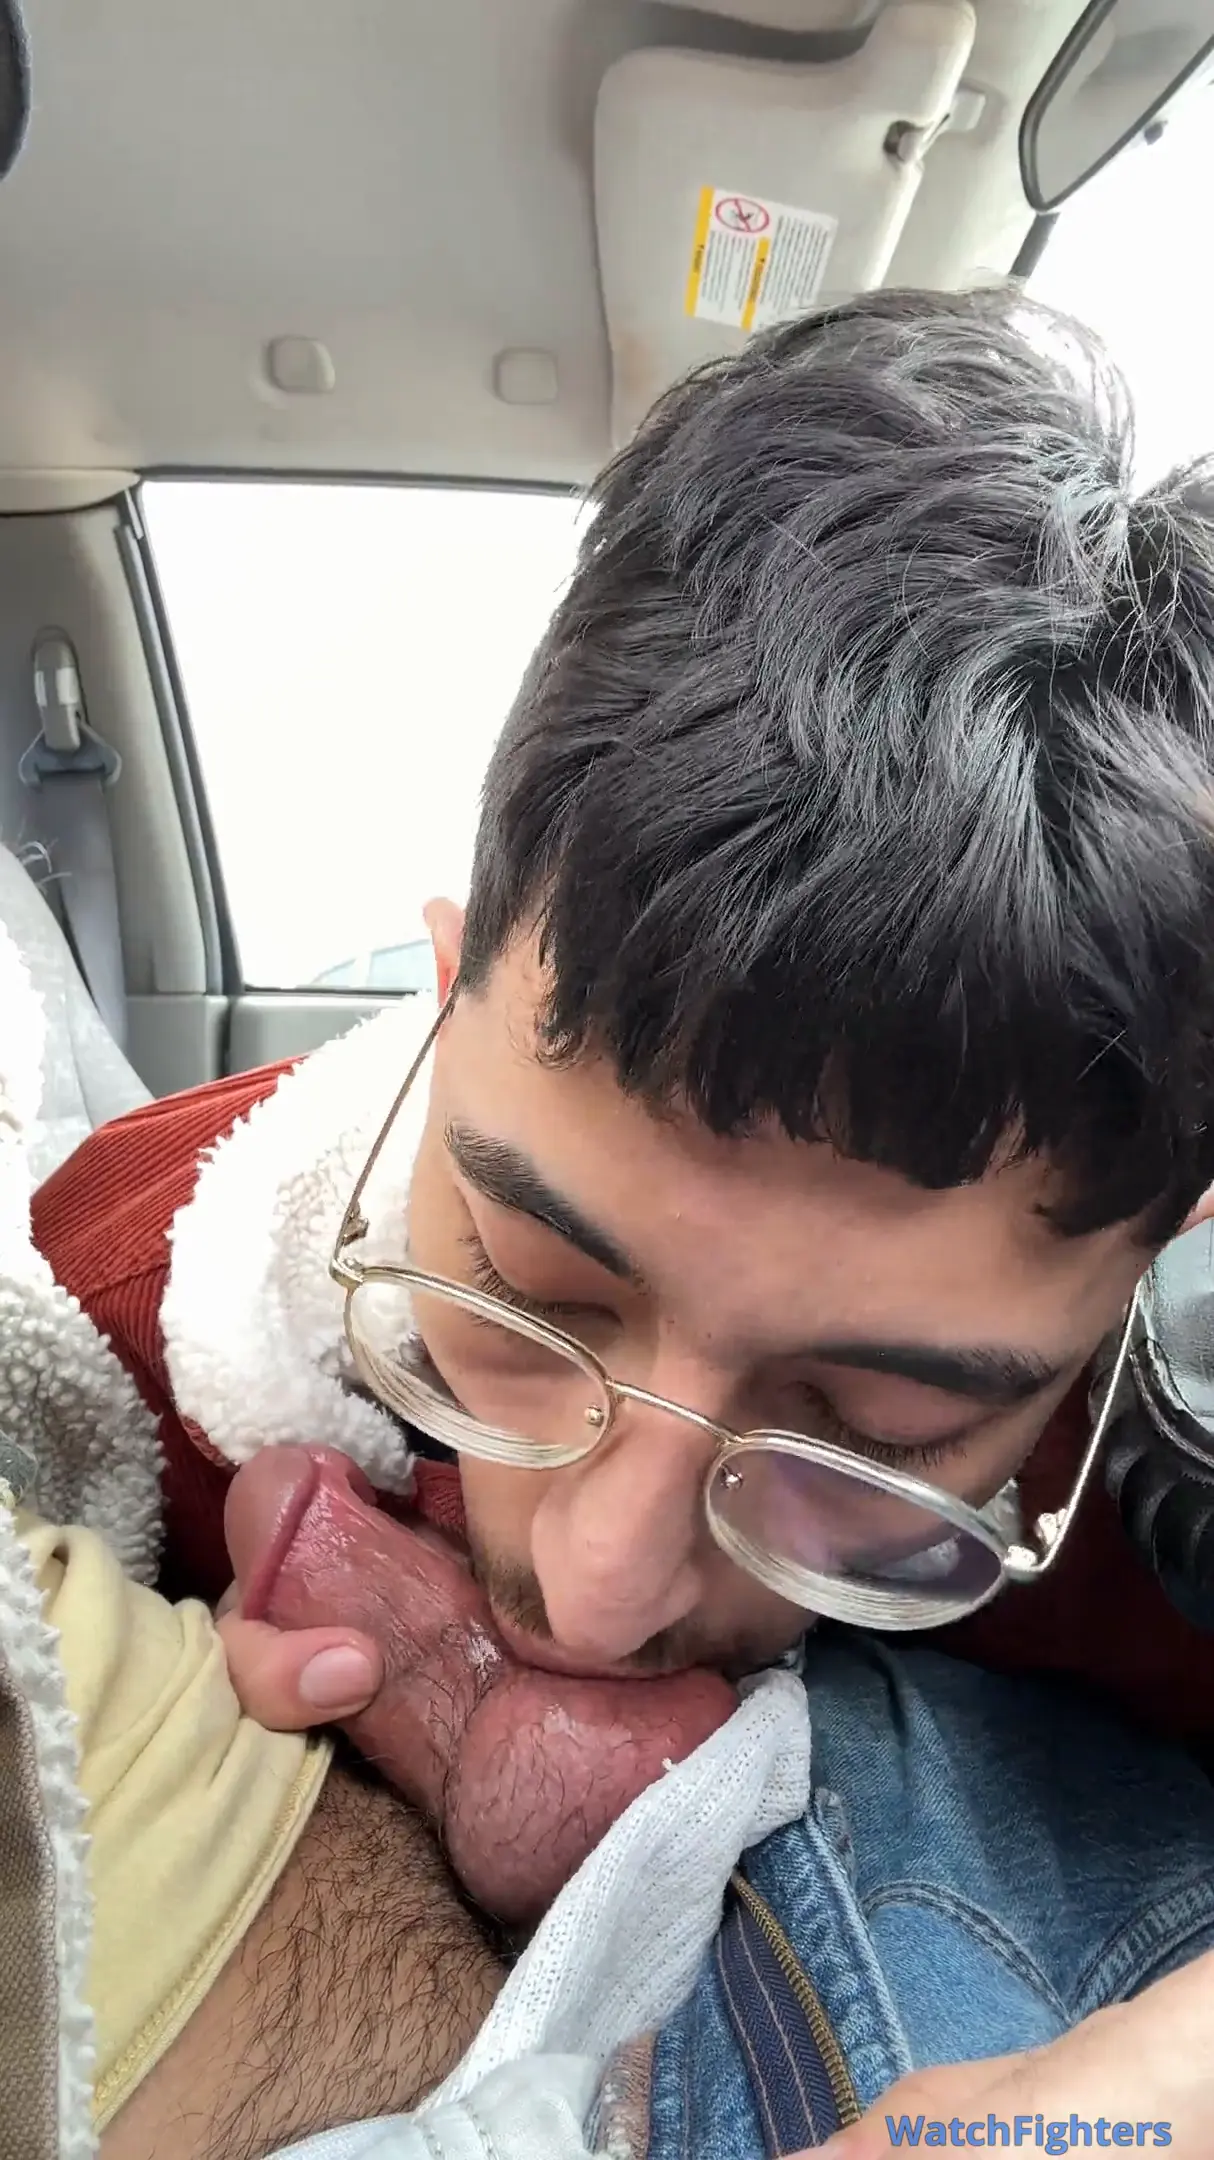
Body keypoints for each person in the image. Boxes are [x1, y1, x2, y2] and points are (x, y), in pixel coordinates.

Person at [19, 285, 1214, 2151]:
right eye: (527, 1291)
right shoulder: (122, 1279)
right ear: (442, 1000)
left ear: (1152, 1258)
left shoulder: (1171, 1514)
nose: (599, 1582)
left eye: (870, 1434)